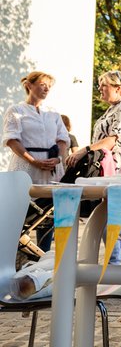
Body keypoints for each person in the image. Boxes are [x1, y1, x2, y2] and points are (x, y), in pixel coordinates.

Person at [65, 70, 121, 263]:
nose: (99, 88)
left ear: (118, 87)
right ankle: (111, 268)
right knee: (106, 219)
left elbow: (113, 140)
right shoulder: (114, 108)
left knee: (111, 220)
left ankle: (114, 268)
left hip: (118, 170)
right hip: (109, 170)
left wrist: (83, 150)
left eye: (104, 84)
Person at [2, 71, 69, 251]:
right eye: (42, 84)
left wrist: (59, 159)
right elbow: (12, 140)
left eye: (49, 85)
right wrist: (33, 161)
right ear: (29, 86)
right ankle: (13, 256)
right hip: (25, 169)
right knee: (20, 214)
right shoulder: (16, 110)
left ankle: (43, 257)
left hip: (51, 170)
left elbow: (63, 139)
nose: (46, 88)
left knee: (47, 214)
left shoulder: (53, 112)